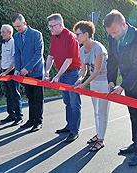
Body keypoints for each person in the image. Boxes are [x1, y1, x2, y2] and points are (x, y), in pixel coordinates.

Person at [103, 10, 137, 166]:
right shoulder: (112, 36)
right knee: (133, 116)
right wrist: (111, 81)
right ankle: (135, 143)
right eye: (110, 33)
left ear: (124, 25)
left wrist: (123, 85)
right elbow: (112, 59)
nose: (112, 36)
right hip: (129, 86)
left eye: (115, 32)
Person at [73, 21, 110, 151]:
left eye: (78, 34)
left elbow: (97, 71)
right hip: (94, 82)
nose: (76, 36)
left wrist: (83, 85)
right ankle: (98, 134)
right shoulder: (81, 50)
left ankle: (101, 140)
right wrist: (80, 79)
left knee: (102, 112)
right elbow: (84, 70)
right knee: (96, 111)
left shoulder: (98, 48)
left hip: (105, 82)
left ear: (86, 34)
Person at [46, 13, 81, 143]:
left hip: (72, 74)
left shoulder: (71, 37)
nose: (50, 29)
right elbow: (50, 56)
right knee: (67, 101)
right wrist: (47, 71)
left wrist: (56, 76)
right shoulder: (54, 37)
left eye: (52, 26)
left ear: (60, 24)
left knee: (74, 103)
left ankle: (74, 131)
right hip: (62, 74)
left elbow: (68, 60)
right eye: (49, 26)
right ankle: (69, 126)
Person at [11, 13, 45, 132]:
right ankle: (31, 120)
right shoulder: (16, 36)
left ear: (24, 23)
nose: (18, 29)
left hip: (36, 72)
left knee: (38, 98)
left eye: (19, 26)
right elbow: (17, 53)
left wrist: (27, 68)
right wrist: (17, 69)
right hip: (24, 73)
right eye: (15, 27)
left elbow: (38, 54)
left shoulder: (36, 34)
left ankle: (38, 121)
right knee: (30, 97)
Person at [0, 24, 23, 126]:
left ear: (10, 33)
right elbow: (2, 58)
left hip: (11, 72)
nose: (1, 34)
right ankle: (11, 115)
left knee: (15, 94)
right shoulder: (4, 44)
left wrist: (5, 73)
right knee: (8, 94)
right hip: (4, 72)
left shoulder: (13, 43)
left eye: (3, 32)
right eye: (1, 32)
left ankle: (19, 117)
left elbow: (15, 61)